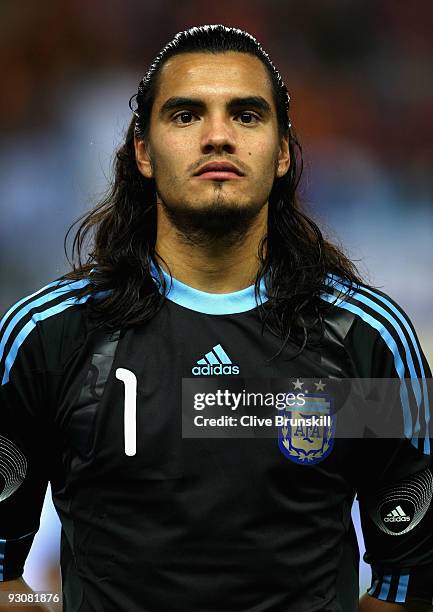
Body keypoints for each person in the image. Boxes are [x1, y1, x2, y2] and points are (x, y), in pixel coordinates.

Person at [0, 24, 432, 612]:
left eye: (247, 115)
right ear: (143, 153)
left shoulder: (364, 339)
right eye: (186, 115)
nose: (218, 136)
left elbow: (411, 579)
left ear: (282, 152)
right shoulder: (48, 338)